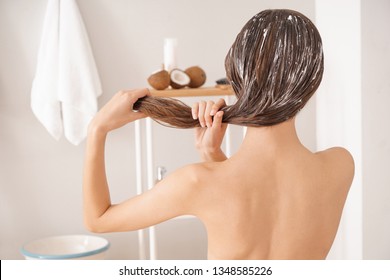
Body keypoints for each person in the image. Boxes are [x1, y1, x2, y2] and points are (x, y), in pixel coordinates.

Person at [83, 9, 354, 259]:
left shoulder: (198, 183)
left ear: (236, 77)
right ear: (312, 82)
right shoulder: (339, 166)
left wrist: (98, 129)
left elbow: (99, 219)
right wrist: (212, 155)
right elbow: (265, 206)